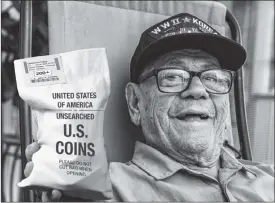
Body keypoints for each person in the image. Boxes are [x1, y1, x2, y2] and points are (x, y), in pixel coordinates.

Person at [23, 12, 274, 202]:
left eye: (213, 78)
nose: (198, 90)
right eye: (173, 76)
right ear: (135, 103)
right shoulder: (106, 189)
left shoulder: (268, 177)